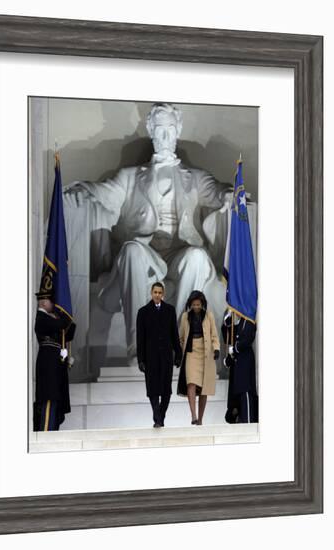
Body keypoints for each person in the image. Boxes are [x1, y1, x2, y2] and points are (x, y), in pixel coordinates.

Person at [64, 103, 231, 360]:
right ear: (151, 132)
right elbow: (105, 192)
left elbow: (218, 191)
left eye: (170, 130)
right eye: (160, 130)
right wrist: (83, 189)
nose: (165, 137)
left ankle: (179, 343)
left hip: (180, 254)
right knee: (131, 250)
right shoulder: (131, 176)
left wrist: (232, 195)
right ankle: (138, 346)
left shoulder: (195, 177)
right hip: (146, 254)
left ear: (178, 131)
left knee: (197, 256)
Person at [136, 282, 182, 427]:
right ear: (151, 293)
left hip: (166, 356)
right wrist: (141, 359)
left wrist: (178, 355)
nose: (157, 295)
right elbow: (140, 338)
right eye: (155, 292)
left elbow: (175, 334)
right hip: (150, 357)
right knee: (153, 389)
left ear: (163, 294)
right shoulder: (143, 312)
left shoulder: (170, 310)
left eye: (159, 292)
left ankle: (160, 416)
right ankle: (158, 417)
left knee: (166, 390)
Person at [33, 290, 76, 431]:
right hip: (48, 366)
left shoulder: (52, 318)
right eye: (53, 302)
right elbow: (60, 325)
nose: (55, 305)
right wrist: (65, 315)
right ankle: (46, 431)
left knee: (56, 401)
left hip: (55, 367)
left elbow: (68, 333)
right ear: (44, 302)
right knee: (49, 400)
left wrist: (68, 317)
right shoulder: (41, 318)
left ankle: (52, 429)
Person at [177, 290, 220, 425]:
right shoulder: (185, 316)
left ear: (202, 304)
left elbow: (214, 335)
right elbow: (181, 338)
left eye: (198, 304)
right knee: (191, 383)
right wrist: (179, 353)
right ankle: (193, 416)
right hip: (191, 352)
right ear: (190, 304)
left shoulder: (209, 316)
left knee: (204, 388)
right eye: (194, 304)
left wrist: (217, 348)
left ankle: (200, 419)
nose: (196, 307)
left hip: (205, 353)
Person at [222, 310, 258, 423]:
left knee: (245, 390)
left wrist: (235, 348)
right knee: (237, 393)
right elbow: (229, 337)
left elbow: (247, 339)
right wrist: (227, 323)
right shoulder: (240, 321)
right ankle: (241, 419)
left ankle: (248, 420)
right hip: (237, 363)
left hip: (245, 361)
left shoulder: (248, 320)